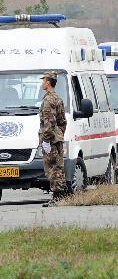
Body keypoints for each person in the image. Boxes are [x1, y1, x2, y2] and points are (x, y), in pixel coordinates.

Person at [39, 71, 68, 207]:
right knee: (58, 166)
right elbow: (62, 121)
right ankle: (61, 195)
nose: (42, 82)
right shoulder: (58, 98)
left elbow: (48, 122)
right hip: (57, 138)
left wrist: (46, 139)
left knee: (52, 168)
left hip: (50, 139)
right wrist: (59, 135)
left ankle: (57, 197)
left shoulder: (48, 100)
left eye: (43, 80)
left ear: (48, 82)